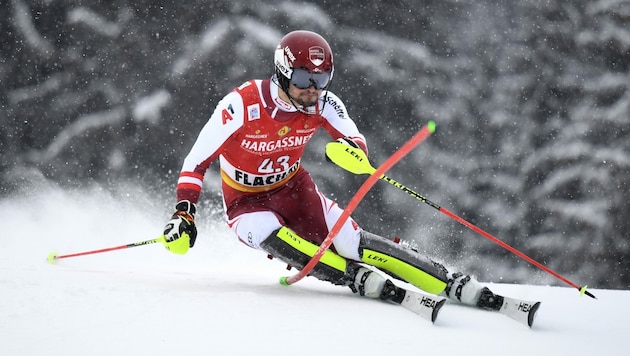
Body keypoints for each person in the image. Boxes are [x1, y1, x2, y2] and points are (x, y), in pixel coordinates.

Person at [161, 30, 503, 311]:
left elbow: (352, 136)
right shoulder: (243, 104)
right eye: (302, 78)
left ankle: (445, 280)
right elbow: (196, 161)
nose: (312, 87)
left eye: (321, 78)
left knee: (351, 242)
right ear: (282, 72)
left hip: (294, 191)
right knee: (272, 233)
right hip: (246, 204)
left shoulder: (323, 102)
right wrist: (184, 212)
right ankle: (352, 277)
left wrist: (353, 152)